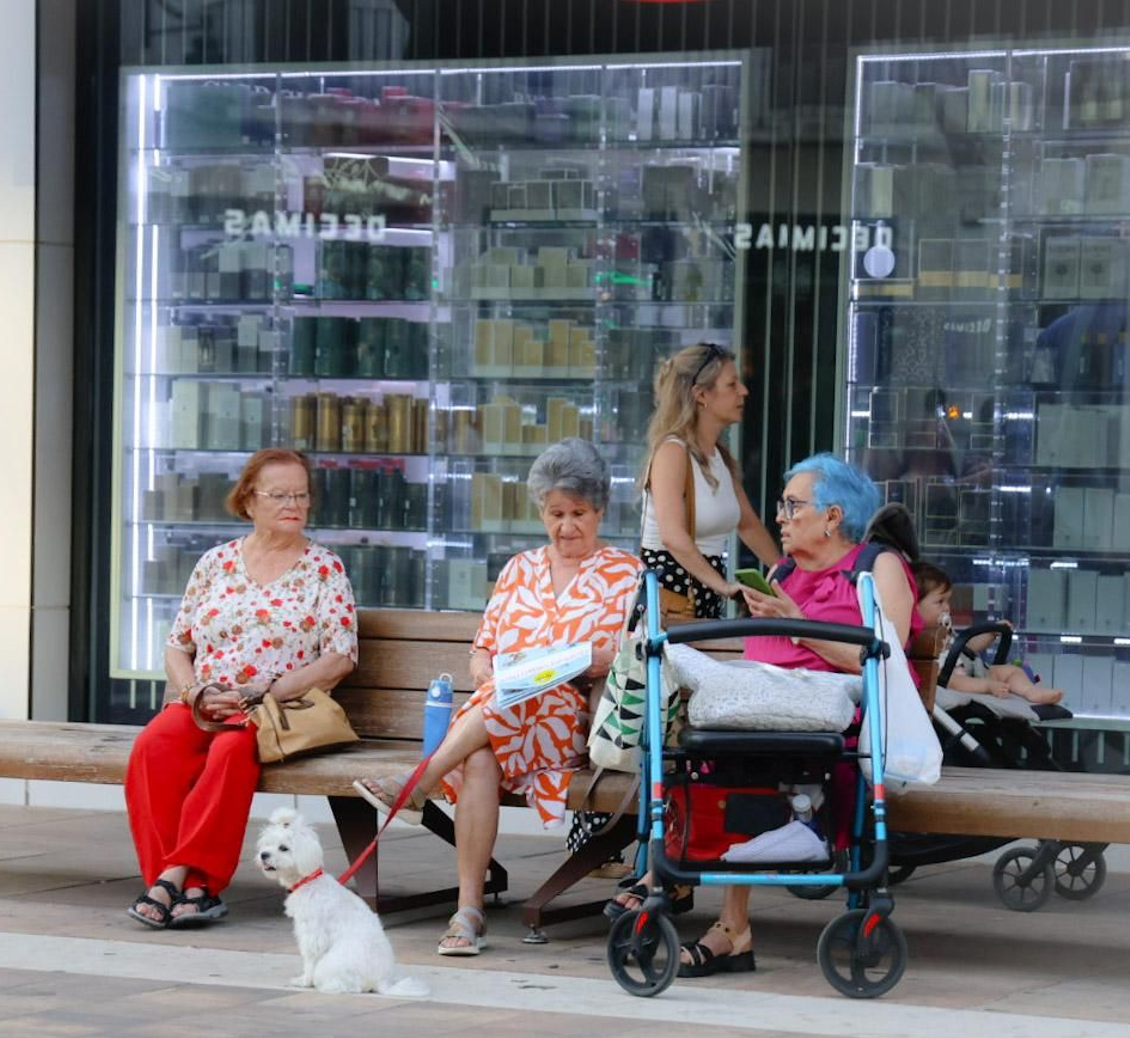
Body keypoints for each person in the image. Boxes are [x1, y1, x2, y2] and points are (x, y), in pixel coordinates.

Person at [352, 438, 643, 957]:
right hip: (503, 717)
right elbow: (482, 649)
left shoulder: (625, 573)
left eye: (579, 513)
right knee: (483, 755)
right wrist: (489, 666)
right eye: (556, 514)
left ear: (600, 509)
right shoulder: (519, 569)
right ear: (540, 511)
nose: (567, 526)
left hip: (569, 717)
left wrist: (555, 667)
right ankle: (468, 913)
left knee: (519, 700)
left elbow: (614, 657)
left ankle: (421, 779)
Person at [672, 452, 922, 976]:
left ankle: (710, 905)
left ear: (833, 516)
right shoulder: (780, 571)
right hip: (765, 716)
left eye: (792, 506)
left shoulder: (877, 567)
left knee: (755, 757)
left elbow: (886, 663)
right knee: (705, 751)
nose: (780, 518)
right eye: (782, 506)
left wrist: (799, 623)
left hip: (841, 730)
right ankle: (724, 919)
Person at [125, 448, 358, 929]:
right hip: (205, 701)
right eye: (280, 494)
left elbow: (340, 656)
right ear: (249, 500)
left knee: (230, 753)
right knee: (153, 747)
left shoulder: (324, 568)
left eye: (301, 494)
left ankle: (181, 880)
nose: (293, 504)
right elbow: (176, 645)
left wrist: (267, 689)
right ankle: (186, 887)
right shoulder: (216, 563)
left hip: (273, 709)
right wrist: (192, 692)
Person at [640, 342, 780, 620]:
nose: (743, 391)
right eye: (732, 384)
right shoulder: (672, 452)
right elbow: (672, 536)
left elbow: (748, 524)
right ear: (702, 394)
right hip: (670, 594)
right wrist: (724, 586)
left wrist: (786, 571)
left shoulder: (719, 456)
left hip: (703, 593)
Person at [912, 561, 1065, 706]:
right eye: (940, 602)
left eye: (948, 601)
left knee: (1011, 671)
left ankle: (1031, 692)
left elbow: (968, 647)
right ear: (914, 604)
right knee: (949, 678)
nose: (947, 608)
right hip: (951, 678)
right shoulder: (918, 639)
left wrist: (991, 633)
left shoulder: (945, 629)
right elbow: (936, 674)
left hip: (974, 670)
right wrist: (986, 685)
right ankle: (986, 686)